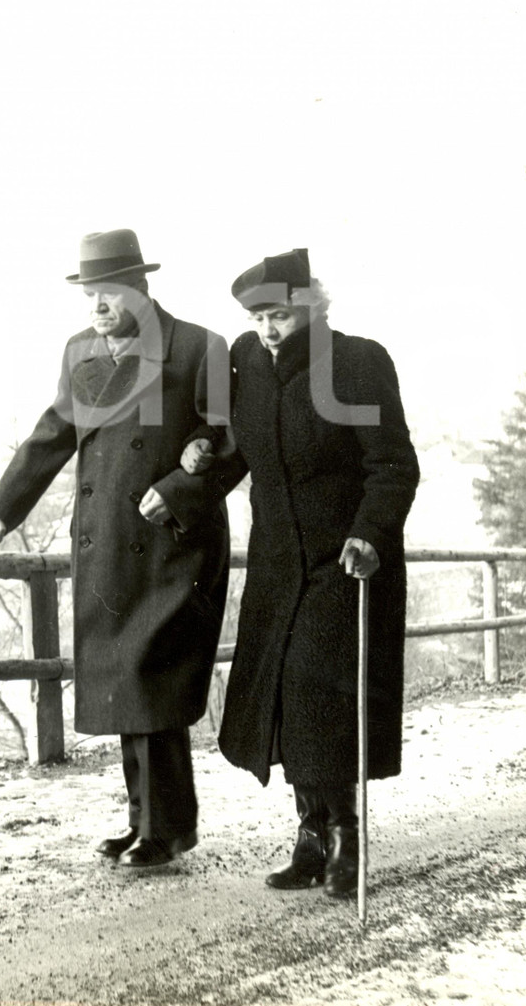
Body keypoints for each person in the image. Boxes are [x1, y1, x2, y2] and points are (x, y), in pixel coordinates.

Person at [0, 228, 232, 871]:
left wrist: (178, 490)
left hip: (173, 545)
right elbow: (54, 431)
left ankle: (169, 829)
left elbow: (231, 440)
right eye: (89, 292)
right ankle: (144, 822)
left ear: (141, 287)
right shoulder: (80, 351)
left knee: (153, 682)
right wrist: (2, 507)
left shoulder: (199, 347)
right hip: (109, 547)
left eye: (107, 291)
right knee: (127, 686)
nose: (95, 304)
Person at [181, 247, 419, 897]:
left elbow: (393, 465)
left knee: (321, 700)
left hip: (343, 561)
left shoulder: (358, 363)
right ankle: (310, 834)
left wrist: (370, 534)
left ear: (312, 304)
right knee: (286, 702)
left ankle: (344, 835)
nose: (267, 328)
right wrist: (203, 452)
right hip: (278, 565)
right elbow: (237, 447)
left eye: (280, 314)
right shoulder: (247, 364)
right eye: (258, 316)